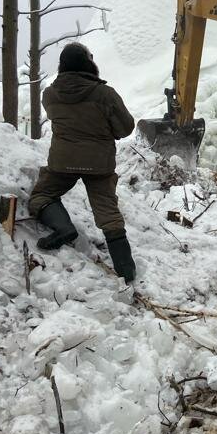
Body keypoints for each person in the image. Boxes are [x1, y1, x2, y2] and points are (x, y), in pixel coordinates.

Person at [28, 42, 137, 283]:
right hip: (99, 164)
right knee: (108, 214)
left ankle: (63, 228)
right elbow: (126, 128)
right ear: (89, 63)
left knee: (41, 197)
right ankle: (126, 270)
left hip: (62, 162)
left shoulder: (50, 94)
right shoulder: (105, 94)